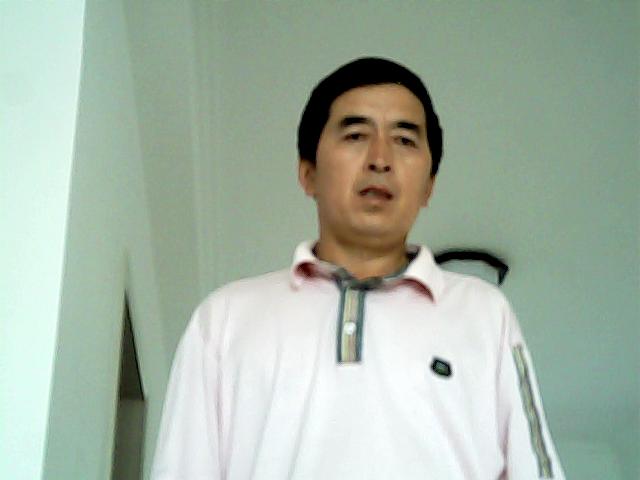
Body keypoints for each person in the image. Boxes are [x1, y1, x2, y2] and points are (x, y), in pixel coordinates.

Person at [151, 57, 565, 480]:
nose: (380, 159)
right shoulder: (224, 320)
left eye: (404, 140)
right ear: (308, 173)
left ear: (429, 186)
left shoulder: (484, 313)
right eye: (355, 135)